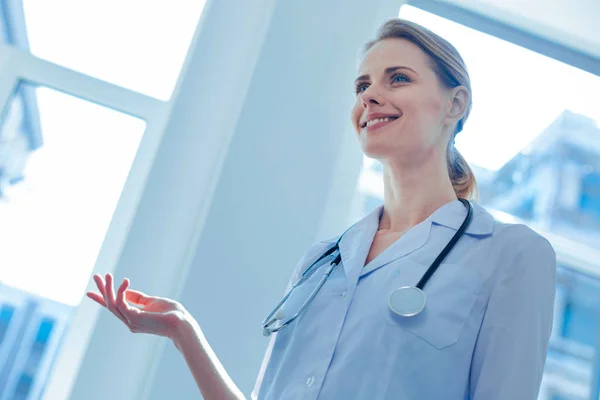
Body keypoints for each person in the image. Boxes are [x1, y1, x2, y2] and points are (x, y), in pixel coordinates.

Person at [87, 18, 556, 400]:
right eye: (361, 85)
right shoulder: (322, 261)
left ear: (455, 103)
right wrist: (182, 331)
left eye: (398, 78)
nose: (369, 96)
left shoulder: (509, 255)